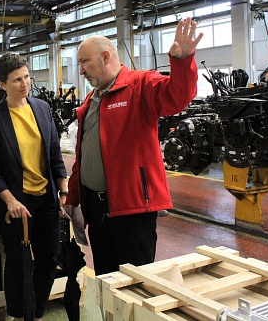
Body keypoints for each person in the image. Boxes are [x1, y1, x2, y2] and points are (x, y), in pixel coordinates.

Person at [64, 17, 203, 276]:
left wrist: (182, 62)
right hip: (97, 211)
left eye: (84, 62)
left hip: (131, 211)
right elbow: (85, 155)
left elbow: (177, 96)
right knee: (106, 279)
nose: (81, 70)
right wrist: (73, 197)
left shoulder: (140, 86)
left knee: (136, 284)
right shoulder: (92, 100)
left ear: (105, 57)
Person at [0, 53, 68, 321]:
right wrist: (10, 200)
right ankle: (19, 316)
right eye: (17, 79)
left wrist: (63, 189)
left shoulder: (41, 108)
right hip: (16, 203)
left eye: (27, 77)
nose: (25, 83)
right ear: (2, 84)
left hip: (46, 199)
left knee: (49, 258)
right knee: (18, 263)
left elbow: (54, 153)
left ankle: (36, 314)